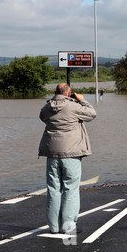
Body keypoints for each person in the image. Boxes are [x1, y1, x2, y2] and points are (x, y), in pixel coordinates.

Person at [38, 83, 97, 234]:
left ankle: (54, 227)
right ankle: (68, 226)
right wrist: (82, 100)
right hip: (71, 153)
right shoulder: (74, 107)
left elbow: (42, 117)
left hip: (52, 153)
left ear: (55, 92)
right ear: (68, 92)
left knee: (53, 189)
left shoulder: (46, 107)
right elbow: (92, 114)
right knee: (71, 189)